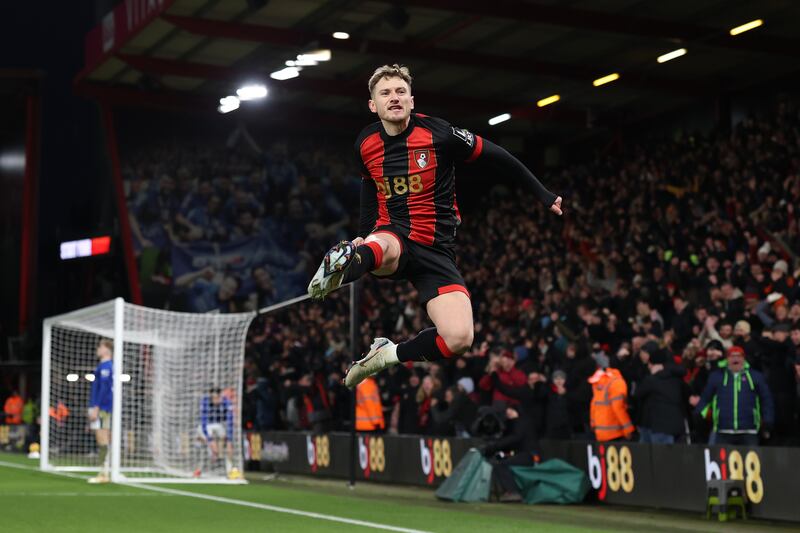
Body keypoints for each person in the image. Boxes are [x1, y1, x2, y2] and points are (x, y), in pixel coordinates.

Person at [306, 64, 562, 388]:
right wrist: (364, 231)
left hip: (437, 250)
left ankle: (386, 354)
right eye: (385, 93)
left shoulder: (439, 133)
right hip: (393, 233)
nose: (394, 98)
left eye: (400, 92)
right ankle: (344, 265)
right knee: (381, 244)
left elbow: (498, 156)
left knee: (459, 338)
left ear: (412, 100)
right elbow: (369, 188)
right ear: (373, 105)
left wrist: (542, 194)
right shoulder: (365, 144)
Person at [691, 346, 774, 446]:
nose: (735, 359)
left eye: (739, 356)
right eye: (732, 356)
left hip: (749, 431)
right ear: (727, 359)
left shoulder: (755, 376)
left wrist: (767, 422)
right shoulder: (716, 376)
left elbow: (766, 400)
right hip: (723, 431)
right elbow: (705, 399)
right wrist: (699, 415)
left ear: (744, 358)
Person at [588, 351, 634, 442]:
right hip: (615, 432)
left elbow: (594, 404)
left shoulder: (601, 380)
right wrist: (628, 429)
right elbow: (618, 408)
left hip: (600, 431)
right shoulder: (617, 383)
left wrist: (593, 423)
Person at [88, 339, 113, 483]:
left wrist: (96, 407)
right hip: (100, 407)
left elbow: (104, 390)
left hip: (102, 408)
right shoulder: (104, 366)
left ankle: (104, 473)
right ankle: (104, 470)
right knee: (102, 438)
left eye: (100, 346)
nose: (97, 349)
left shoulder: (106, 367)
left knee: (103, 438)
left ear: (106, 350)